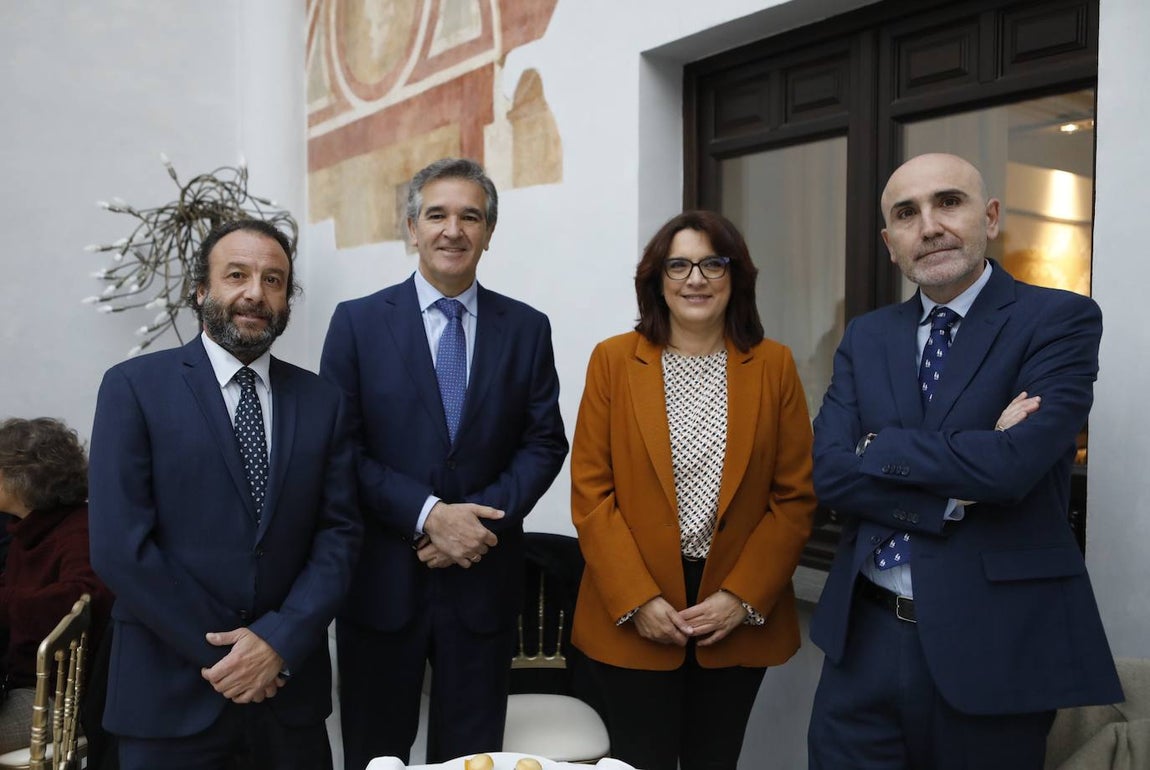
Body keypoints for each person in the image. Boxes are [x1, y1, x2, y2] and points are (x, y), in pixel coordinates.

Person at [807, 153, 1122, 769]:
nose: (929, 226)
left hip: (995, 643)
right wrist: (960, 482)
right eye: (907, 214)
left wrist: (879, 447)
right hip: (862, 641)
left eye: (948, 202)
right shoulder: (867, 335)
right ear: (890, 243)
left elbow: (1013, 467)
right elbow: (831, 474)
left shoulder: (1059, 320)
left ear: (991, 217)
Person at [320, 157, 568, 768]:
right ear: (412, 228)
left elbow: (544, 443)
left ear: (489, 231)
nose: (453, 230)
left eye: (470, 217)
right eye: (437, 215)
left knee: (472, 761)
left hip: (482, 588)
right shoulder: (357, 323)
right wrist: (430, 515)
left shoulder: (527, 328)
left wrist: (474, 526)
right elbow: (340, 449)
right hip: (381, 587)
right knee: (376, 758)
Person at [88, 218, 362, 770]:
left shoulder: (323, 402)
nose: (255, 293)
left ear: (286, 299)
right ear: (201, 289)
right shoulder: (133, 387)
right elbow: (121, 548)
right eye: (236, 275)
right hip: (168, 696)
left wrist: (278, 642)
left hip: (288, 698)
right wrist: (234, 655)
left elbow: (339, 536)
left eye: (273, 280)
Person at [569, 210, 817, 770]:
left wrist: (741, 597)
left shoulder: (774, 365)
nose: (695, 279)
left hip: (733, 606)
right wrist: (637, 599)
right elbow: (591, 493)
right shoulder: (613, 361)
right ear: (657, 280)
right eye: (678, 265)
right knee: (639, 761)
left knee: (715, 760)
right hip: (634, 603)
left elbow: (794, 497)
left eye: (712, 264)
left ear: (736, 276)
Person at [0, 417, 112, 755]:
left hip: (52, 697)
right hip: (19, 684)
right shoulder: (27, 529)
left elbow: (83, 599)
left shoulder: (79, 530)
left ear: (22, 479)